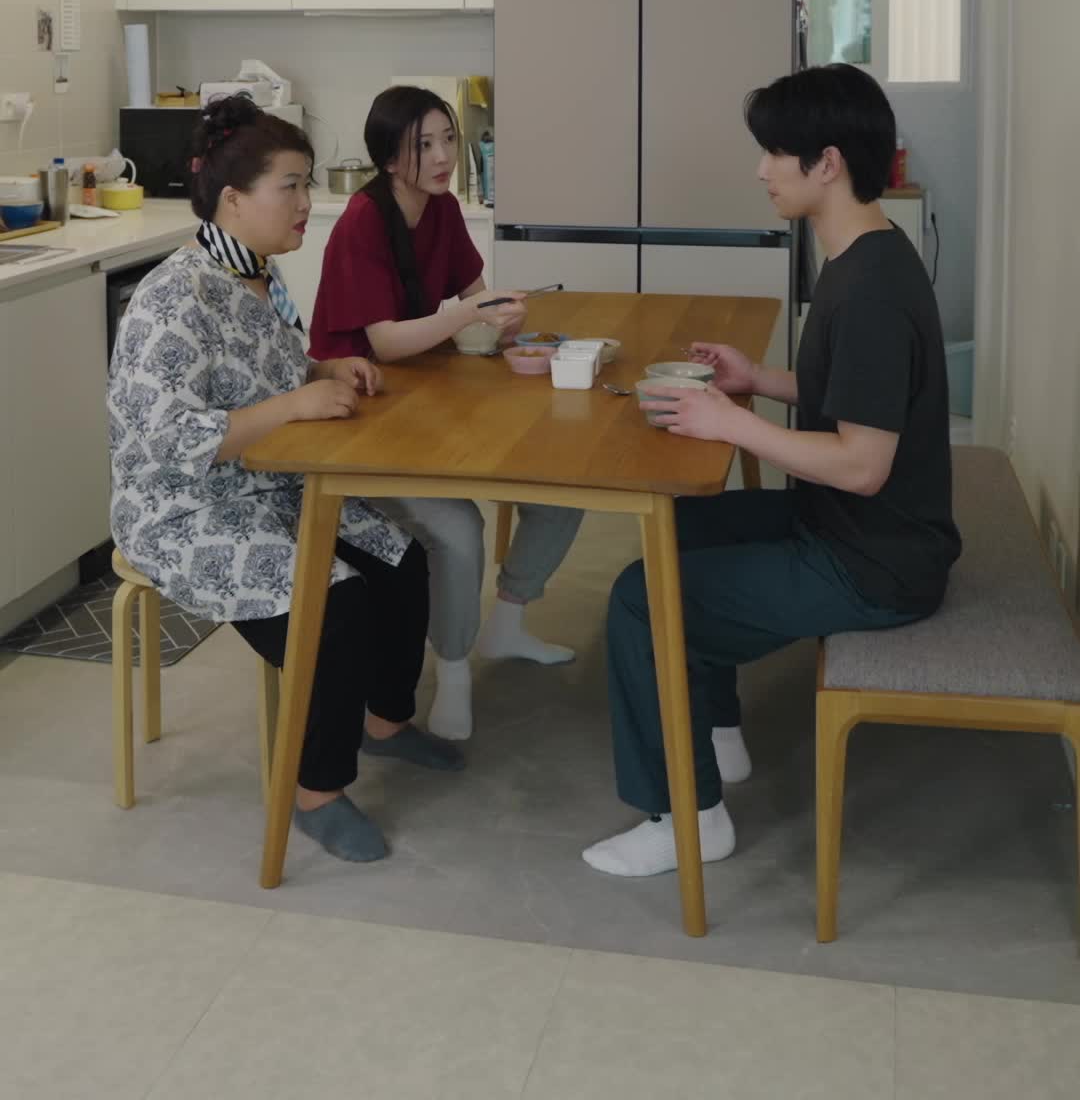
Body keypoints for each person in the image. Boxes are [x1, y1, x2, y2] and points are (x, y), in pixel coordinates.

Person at [584, 63, 961, 879]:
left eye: (775, 153)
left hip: (874, 563)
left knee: (641, 602)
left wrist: (734, 423)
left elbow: (862, 464)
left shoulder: (868, 290)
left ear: (827, 163)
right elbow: (859, 399)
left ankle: (686, 820)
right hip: (852, 527)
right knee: (677, 530)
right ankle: (716, 732)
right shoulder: (865, 254)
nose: (761, 170)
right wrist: (758, 380)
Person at [108, 94, 463, 869]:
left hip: (269, 484)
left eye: (307, 184)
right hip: (183, 510)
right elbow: (169, 440)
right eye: (291, 187)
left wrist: (321, 370)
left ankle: (386, 723)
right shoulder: (174, 297)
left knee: (401, 559)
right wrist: (294, 404)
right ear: (234, 199)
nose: (307, 203)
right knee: (334, 604)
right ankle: (317, 794)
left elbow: (267, 372)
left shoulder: (257, 276)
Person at [309, 85, 584, 741]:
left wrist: (501, 314)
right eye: (423, 145)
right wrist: (466, 315)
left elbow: (474, 297)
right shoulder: (362, 222)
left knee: (563, 484)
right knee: (457, 528)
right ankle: (454, 672)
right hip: (357, 413)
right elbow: (384, 342)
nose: (442, 157)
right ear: (388, 156)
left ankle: (508, 622)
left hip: (424, 397)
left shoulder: (444, 208)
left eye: (448, 140)